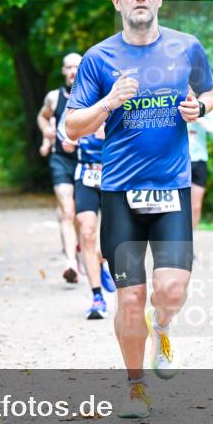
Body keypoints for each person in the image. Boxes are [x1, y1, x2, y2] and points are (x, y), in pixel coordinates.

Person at [65, 0, 213, 418]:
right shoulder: (99, 58)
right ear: (117, 1)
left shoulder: (186, 48)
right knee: (130, 297)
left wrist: (200, 108)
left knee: (169, 291)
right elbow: (73, 126)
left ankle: (164, 326)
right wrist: (109, 102)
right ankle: (136, 388)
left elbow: (210, 92)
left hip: (171, 187)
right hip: (119, 192)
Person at [63, 120, 117, 319]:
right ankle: (97, 297)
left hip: (115, 175)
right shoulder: (82, 99)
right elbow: (67, 133)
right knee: (87, 232)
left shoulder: (124, 95)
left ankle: (101, 261)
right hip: (86, 174)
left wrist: (112, 131)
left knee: (110, 242)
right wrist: (71, 138)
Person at [37, 52, 83, 283]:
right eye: (69, 67)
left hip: (86, 160)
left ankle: (78, 246)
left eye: (77, 66)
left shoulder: (93, 96)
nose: (73, 71)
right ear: (63, 71)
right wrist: (46, 130)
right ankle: (71, 263)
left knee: (81, 214)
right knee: (67, 210)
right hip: (61, 160)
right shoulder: (54, 98)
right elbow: (42, 117)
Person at [187, 89, 213, 230]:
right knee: (179, 207)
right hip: (180, 162)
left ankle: (189, 244)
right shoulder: (174, 103)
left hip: (200, 160)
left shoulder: (203, 106)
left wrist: (198, 116)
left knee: (196, 207)